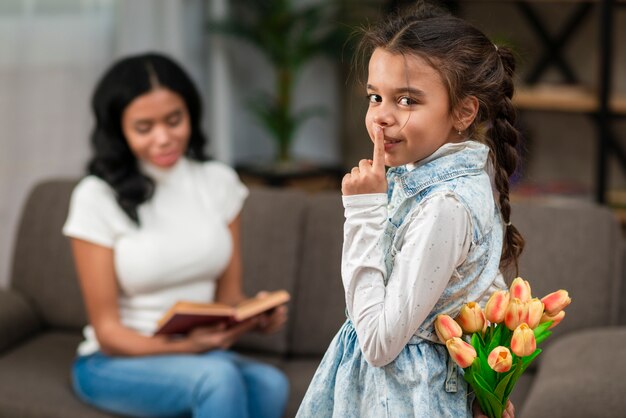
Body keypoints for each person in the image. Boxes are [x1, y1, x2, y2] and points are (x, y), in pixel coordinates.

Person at [297, 4, 522, 418]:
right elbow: (481, 294)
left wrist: (363, 212)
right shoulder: (436, 181)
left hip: (404, 399)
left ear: (464, 112)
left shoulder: (444, 206)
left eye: (406, 100)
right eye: (375, 97)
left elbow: (379, 343)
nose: (381, 116)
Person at [63, 52, 289, 418]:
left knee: (271, 384)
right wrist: (188, 349)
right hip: (112, 361)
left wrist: (254, 316)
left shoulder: (217, 182)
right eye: (144, 127)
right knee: (217, 378)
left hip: (200, 353)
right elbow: (107, 332)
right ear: (118, 130)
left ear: (191, 114)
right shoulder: (95, 196)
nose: (164, 138)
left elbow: (229, 297)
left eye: (174, 120)